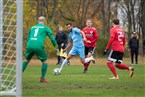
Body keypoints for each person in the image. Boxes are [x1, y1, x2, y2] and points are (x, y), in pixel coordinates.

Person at [22, 16, 58, 83]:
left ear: (38, 21)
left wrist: (28, 46)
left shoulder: (32, 28)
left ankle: (18, 76)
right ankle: (42, 78)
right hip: (38, 45)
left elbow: (28, 38)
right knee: (44, 61)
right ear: (44, 21)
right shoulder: (45, 28)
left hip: (29, 44)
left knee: (26, 60)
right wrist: (56, 47)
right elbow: (52, 38)